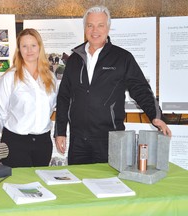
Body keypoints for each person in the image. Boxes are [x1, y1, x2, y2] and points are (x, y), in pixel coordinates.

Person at [55, 5, 172, 165]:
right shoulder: (75, 59)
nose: (95, 30)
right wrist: (60, 131)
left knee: (110, 186)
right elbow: (64, 96)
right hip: (78, 142)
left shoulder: (122, 58)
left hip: (110, 140)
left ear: (108, 27)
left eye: (100, 25)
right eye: (90, 25)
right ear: (85, 28)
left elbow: (140, 89)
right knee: (79, 186)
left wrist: (156, 116)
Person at [0, 28, 57, 168]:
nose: (29, 50)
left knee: (41, 184)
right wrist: (15, 131)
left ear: (39, 47)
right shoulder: (9, 77)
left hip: (43, 142)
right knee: (18, 185)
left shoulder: (50, 77)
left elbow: (51, 107)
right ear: (19, 50)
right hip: (16, 142)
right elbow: (0, 111)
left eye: (33, 45)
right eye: (24, 46)